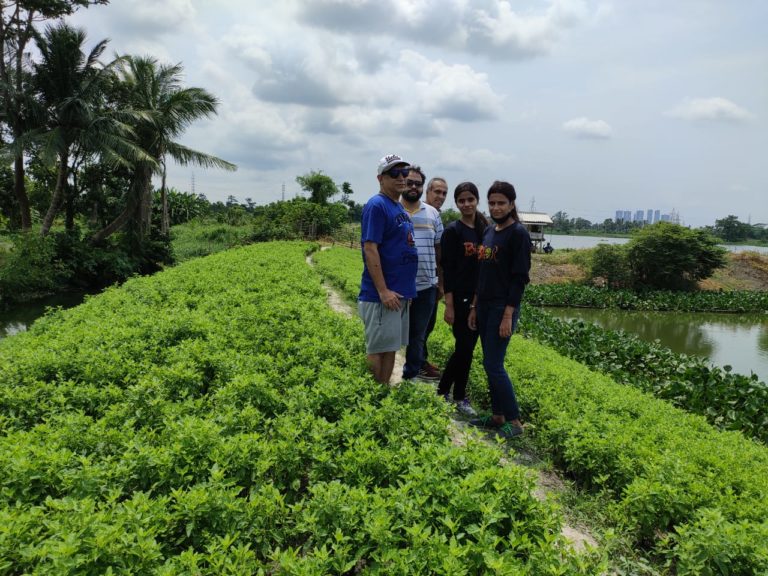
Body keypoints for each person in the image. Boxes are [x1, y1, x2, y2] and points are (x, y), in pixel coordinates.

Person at [468, 181, 531, 439]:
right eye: (492, 202)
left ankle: (514, 422)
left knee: (494, 365)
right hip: (483, 305)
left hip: (501, 307)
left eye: (501, 203)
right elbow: (482, 273)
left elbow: (519, 279)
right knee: (489, 363)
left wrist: (508, 315)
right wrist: (474, 306)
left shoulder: (518, 234)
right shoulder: (489, 232)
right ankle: (497, 416)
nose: (495, 207)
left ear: (512, 204)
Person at [358, 154, 418, 384]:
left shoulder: (397, 207)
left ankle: (383, 394)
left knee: (391, 347)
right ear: (380, 178)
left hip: (399, 294)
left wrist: (407, 290)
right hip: (382, 296)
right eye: (394, 173)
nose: (402, 177)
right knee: (377, 348)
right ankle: (373, 396)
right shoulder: (377, 205)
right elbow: (370, 248)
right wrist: (383, 290)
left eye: (404, 172)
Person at [436, 182, 488, 416]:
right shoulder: (453, 231)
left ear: (477, 201)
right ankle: (456, 396)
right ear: (456, 203)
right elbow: (446, 268)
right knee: (464, 348)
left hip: (480, 298)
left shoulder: (484, 230)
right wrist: (449, 305)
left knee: (466, 348)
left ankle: (446, 391)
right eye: (461, 200)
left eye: (470, 199)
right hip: (459, 298)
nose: (466, 204)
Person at [399, 166, 443, 382]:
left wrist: (440, 284)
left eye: (418, 183)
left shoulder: (433, 213)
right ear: (402, 184)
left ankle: (411, 376)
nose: (413, 186)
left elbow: (439, 251)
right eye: (409, 182)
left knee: (418, 336)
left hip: (426, 286)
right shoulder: (392, 210)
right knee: (392, 333)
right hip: (397, 286)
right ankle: (382, 376)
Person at [421, 176, 449, 379]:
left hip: (432, 281)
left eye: (444, 193)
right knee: (420, 326)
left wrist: (441, 284)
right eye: (437, 191)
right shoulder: (419, 212)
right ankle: (417, 364)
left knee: (428, 324)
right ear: (427, 192)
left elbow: (440, 256)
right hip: (417, 281)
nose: (440, 196)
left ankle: (420, 361)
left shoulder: (436, 217)